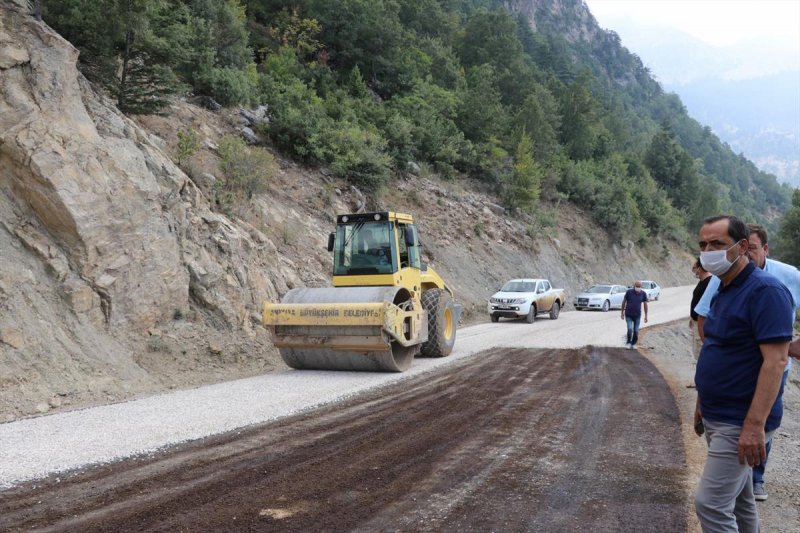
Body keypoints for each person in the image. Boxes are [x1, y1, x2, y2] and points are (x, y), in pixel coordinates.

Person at [693, 215, 793, 532]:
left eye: (717, 244)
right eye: (703, 244)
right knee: (740, 501)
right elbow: (717, 348)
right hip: (718, 413)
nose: (708, 251)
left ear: (741, 247)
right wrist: (702, 400)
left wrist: (753, 426)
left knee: (710, 504)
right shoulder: (723, 288)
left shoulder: (766, 292)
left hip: (739, 420)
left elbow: (775, 362)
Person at [689, 259, 712, 361]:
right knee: (696, 350)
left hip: (701, 323)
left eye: (695, 268)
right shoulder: (701, 282)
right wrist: (692, 317)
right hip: (695, 321)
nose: (694, 271)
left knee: (700, 352)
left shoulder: (709, 282)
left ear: (700, 268)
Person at [620, 280, 648, 349]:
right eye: (636, 286)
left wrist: (646, 316)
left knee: (636, 331)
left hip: (637, 315)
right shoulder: (629, 292)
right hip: (628, 314)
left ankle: (633, 344)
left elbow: (645, 305)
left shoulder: (643, 294)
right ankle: (628, 343)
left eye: (639, 286)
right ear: (634, 286)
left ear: (641, 287)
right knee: (630, 329)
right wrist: (622, 313)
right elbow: (624, 301)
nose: (638, 287)